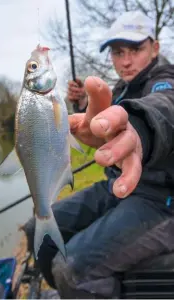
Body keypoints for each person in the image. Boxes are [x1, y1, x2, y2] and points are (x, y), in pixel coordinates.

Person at [34, 11, 174, 298]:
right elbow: (105, 125)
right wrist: (84, 106)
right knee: (43, 228)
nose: (125, 60)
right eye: (117, 52)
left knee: (71, 267)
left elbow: (163, 106)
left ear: (155, 48)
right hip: (117, 187)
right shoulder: (122, 88)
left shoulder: (166, 80)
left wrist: (139, 128)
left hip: (159, 200)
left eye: (135, 49)